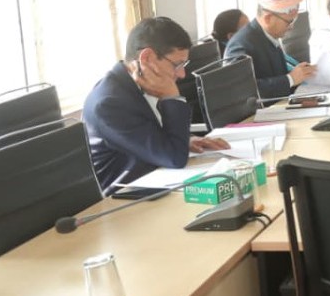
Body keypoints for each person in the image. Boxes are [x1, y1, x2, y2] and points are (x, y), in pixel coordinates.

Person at [83, 17, 230, 194]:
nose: (182, 74)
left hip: (156, 179)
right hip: (127, 198)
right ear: (147, 58)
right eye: (177, 64)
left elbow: (149, 135)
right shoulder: (109, 104)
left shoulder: (133, 84)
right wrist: (172, 97)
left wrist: (186, 139)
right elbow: (174, 158)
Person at [224, 0, 317, 99]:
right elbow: (242, 91)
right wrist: (290, 79)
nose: (291, 27)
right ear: (268, 18)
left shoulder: (269, 36)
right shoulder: (241, 44)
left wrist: (304, 75)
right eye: (289, 22)